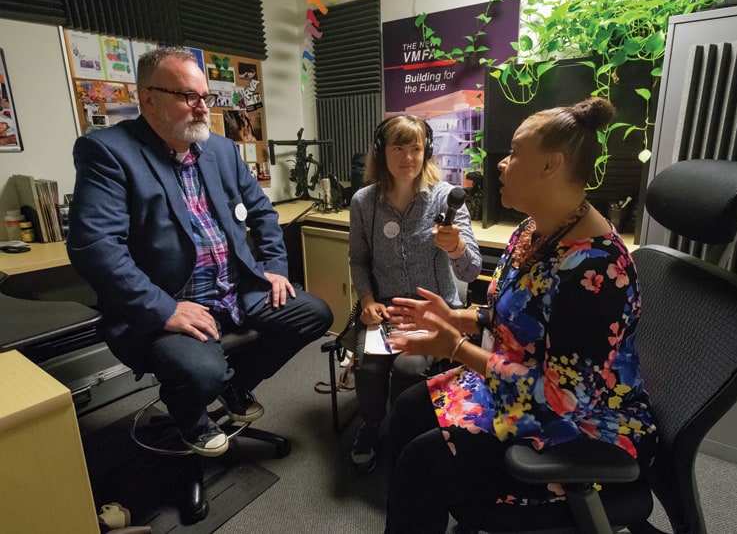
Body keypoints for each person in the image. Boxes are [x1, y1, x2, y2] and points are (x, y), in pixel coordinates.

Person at [382, 98, 658, 532]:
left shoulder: (597, 270)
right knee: (408, 411)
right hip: (520, 386)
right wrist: (459, 318)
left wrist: (456, 349)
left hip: (581, 427)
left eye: (513, 153)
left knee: (424, 462)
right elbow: (514, 314)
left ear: (551, 165)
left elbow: (563, 399)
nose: (501, 164)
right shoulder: (535, 229)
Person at [67, 47, 333, 457]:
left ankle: (233, 385)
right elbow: (95, 247)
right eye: (188, 97)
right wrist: (164, 309)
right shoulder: (108, 152)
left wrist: (274, 267)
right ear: (149, 98)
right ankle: (192, 412)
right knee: (202, 371)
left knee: (314, 314)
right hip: (171, 302)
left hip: (235, 288)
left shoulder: (222, 151)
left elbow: (262, 212)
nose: (202, 108)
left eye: (205, 97)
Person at [347, 114, 481, 473]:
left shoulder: (445, 200)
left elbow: (472, 271)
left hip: (435, 310)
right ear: (381, 152)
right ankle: (373, 426)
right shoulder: (363, 203)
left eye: (416, 148)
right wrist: (368, 301)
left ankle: (407, 434)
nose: (408, 157)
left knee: (408, 367)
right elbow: (358, 262)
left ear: (428, 152)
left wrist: (456, 249)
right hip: (387, 309)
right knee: (369, 361)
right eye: (398, 147)